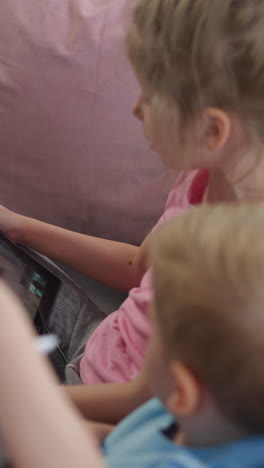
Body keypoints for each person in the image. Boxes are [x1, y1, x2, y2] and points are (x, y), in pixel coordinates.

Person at [1, 0, 264, 420]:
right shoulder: (206, 172)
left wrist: (21, 402)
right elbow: (139, 266)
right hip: (93, 340)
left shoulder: (237, 262)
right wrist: (20, 227)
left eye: (151, 95)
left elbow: (146, 404)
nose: (136, 109)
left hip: (104, 408)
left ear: (212, 130)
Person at [2, 203, 264, 467]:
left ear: (183, 390)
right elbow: (136, 437)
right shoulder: (192, 411)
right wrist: (99, 434)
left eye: (151, 335)